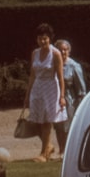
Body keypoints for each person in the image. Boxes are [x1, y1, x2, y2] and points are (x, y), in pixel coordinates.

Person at [24, 23, 66, 163]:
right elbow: (32, 75)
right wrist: (27, 95)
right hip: (37, 88)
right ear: (37, 39)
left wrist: (62, 96)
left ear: (50, 39)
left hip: (51, 88)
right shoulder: (34, 53)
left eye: (45, 38)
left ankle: (43, 154)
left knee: (47, 121)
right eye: (40, 38)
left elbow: (60, 77)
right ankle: (48, 146)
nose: (43, 41)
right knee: (36, 120)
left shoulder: (55, 54)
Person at [53, 39, 87, 156]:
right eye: (60, 49)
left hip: (69, 99)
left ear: (69, 51)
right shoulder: (52, 64)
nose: (63, 52)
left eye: (65, 49)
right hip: (55, 98)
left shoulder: (74, 66)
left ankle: (68, 152)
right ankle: (61, 150)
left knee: (67, 126)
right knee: (58, 126)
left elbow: (81, 88)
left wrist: (80, 104)